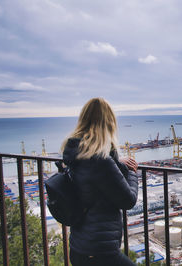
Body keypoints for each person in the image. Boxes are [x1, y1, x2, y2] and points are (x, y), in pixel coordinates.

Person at [61, 98, 138, 266]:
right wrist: (132, 173)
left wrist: (117, 162)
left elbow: (93, 180)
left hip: (78, 246)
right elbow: (129, 200)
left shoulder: (75, 155)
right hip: (99, 252)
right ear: (109, 123)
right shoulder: (101, 162)